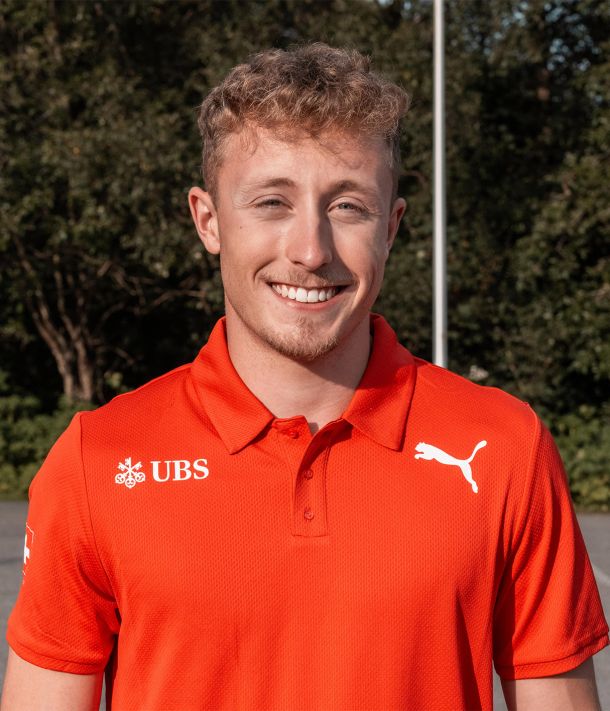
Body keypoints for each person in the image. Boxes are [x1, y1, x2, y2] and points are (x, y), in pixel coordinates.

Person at [1, 43, 607, 711]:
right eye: (271, 202)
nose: (311, 250)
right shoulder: (97, 460)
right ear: (208, 220)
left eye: (348, 206)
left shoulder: (504, 448)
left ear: (391, 228)